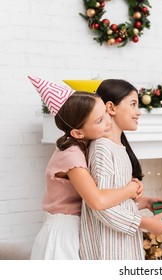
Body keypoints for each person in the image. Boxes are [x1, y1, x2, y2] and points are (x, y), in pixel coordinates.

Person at [28, 76, 143, 260]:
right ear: (77, 132)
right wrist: (130, 189)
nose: (107, 122)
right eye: (99, 121)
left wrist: (139, 198)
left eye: (105, 114)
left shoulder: (84, 147)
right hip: (62, 236)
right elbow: (97, 200)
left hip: (76, 230)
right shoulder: (71, 154)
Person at [79, 79, 162, 260]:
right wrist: (144, 222)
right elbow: (101, 207)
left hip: (121, 244)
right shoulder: (102, 149)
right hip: (107, 248)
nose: (138, 112)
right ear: (111, 108)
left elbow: (115, 199)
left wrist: (144, 202)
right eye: (133, 104)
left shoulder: (118, 148)